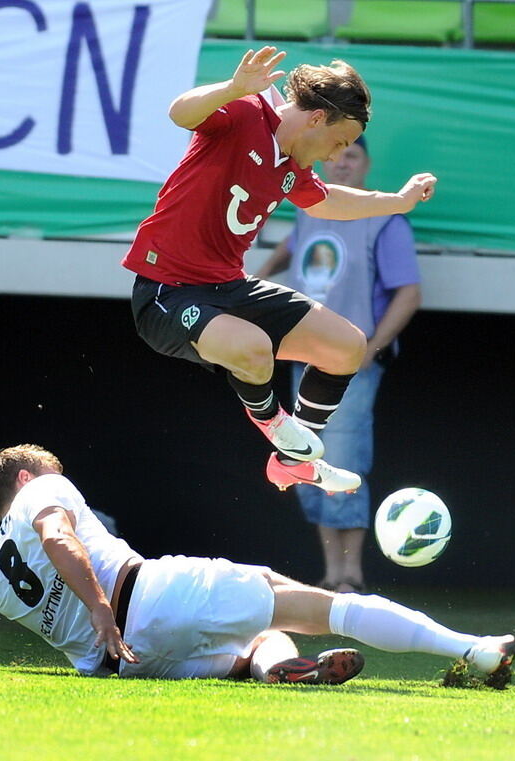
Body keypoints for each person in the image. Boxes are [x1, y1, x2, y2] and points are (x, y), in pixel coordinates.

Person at [0, 444, 515, 688]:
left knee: (252, 645)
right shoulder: (40, 492)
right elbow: (59, 535)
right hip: (144, 596)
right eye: (55, 470)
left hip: (128, 663)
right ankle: (473, 648)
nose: (63, 481)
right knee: (313, 602)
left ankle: (275, 668)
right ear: (24, 475)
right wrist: (97, 604)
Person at [121, 47, 436, 496]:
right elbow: (178, 112)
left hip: (227, 287)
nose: (335, 156)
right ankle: (275, 425)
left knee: (347, 345)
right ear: (315, 120)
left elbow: (327, 200)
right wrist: (232, 88)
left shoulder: (292, 163)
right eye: (339, 142)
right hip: (165, 293)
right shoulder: (246, 112)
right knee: (253, 349)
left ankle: (293, 463)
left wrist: (398, 201)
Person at [255, 135, 421, 593]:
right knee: (307, 460)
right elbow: (294, 245)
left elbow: (409, 294)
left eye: (353, 156)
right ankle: (332, 574)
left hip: (350, 365)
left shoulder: (384, 219)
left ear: (367, 163)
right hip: (304, 353)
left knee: (344, 460)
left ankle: (352, 576)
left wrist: (370, 349)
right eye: (339, 156)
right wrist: (253, 277)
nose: (343, 164)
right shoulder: (312, 207)